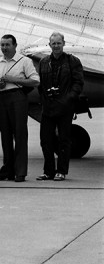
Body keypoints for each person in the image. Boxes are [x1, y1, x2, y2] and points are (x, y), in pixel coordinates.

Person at [0, 34, 39, 182]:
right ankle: (7, 171)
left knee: (20, 135)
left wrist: (13, 79)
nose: (4, 48)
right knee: (5, 135)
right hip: (2, 98)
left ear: (15, 46)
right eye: (2, 45)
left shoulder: (24, 61)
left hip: (18, 97)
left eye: (7, 45)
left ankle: (20, 172)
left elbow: (35, 81)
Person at [36, 32, 84, 181]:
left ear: (63, 44)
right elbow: (41, 84)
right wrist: (45, 99)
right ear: (49, 45)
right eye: (53, 43)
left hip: (65, 107)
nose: (56, 46)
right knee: (45, 140)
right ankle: (48, 171)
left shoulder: (72, 61)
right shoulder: (44, 62)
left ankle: (61, 171)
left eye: (58, 43)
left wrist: (69, 98)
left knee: (64, 140)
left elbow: (78, 83)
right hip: (48, 107)